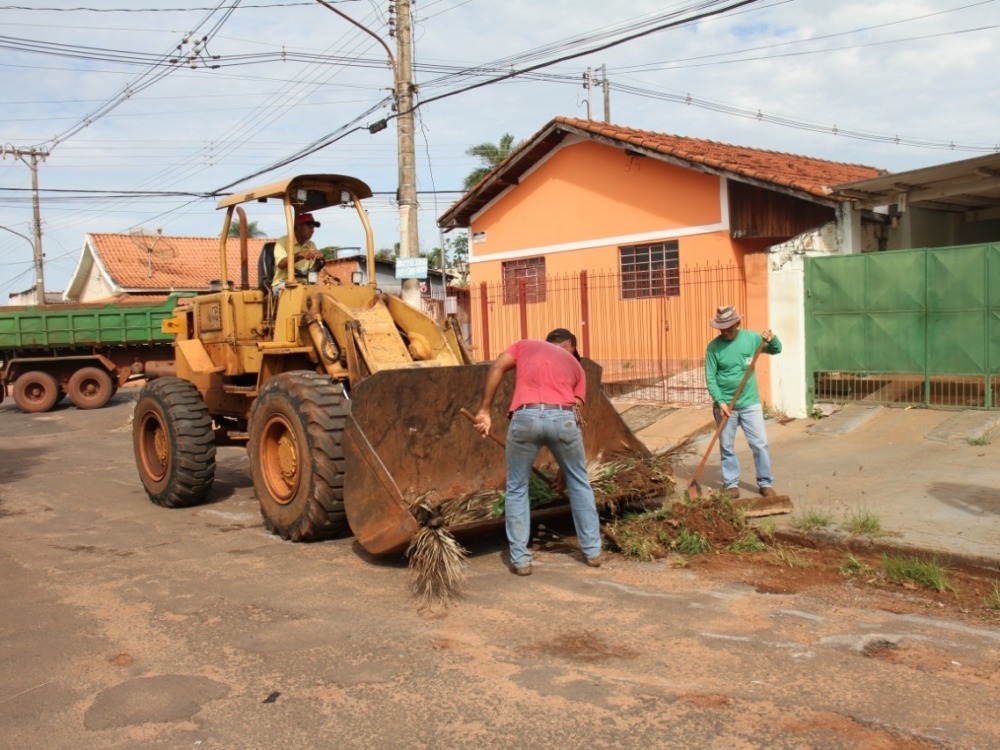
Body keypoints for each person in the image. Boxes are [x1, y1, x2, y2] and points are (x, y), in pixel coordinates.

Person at [473, 328, 602, 576]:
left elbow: (498, 366)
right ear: (568, 345)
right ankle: (593, 552)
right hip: (564, 419)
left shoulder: (525, 345)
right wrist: (567, 469)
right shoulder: (577, 367)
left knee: (517, 487)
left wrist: (484, 410)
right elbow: (573, 415)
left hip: (525, 417)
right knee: (579, 484)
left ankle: (521, 560)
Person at [704, 305, 782, 499]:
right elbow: (710, 378)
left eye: (730, 328)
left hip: (749, 403)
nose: (726, 332)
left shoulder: (752, 339)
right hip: (724, 406)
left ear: (738, 323)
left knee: (759, 443)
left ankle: (765, 483)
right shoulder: (714, 347)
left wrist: (772, 340)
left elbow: (776, 349)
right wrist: (720, 402)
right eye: (722, 329)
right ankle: (731, 484)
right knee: (727, 446)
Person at [271, 213, 325, 293]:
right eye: (309, 227)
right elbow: (281, 264)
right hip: (283, 284)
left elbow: (315, 267)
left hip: (306, 284)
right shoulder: (283, 242)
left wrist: (319, 258)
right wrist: (299, 255)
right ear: (299, 227)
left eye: (313, 228)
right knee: (297, 293)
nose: (312, 231)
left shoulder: (311, 244)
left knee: (324, 293)